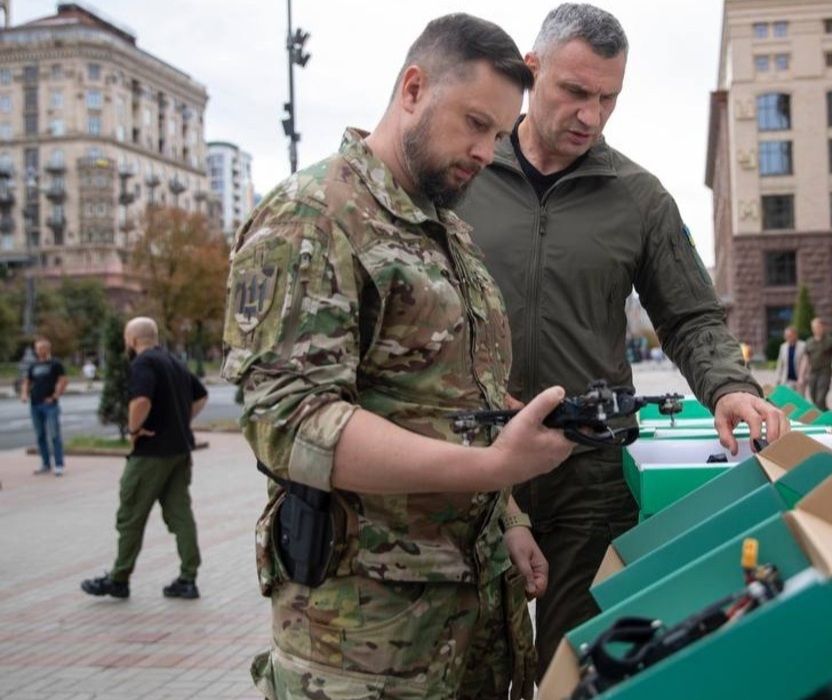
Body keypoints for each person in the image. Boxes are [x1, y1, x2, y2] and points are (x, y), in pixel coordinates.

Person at [220, 14, 574, 700]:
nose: (486, 151)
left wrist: (509, 518)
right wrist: (490, 466)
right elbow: (291, 422)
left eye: (499, 134)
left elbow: (460, 405)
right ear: (413, 88)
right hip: (366, 643)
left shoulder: (449, 232)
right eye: (474, 122)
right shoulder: (313, 216)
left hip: (469, 623)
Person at [455, 3, 789, 678]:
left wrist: (729, 386)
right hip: (469, 468)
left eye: (608, 98)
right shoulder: (463, 175)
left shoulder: (639, 198)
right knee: (469, 669)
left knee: (574, 668)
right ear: (532, 69)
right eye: (575, 92)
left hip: (590, 476)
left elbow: (692, 317)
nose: (592, 115)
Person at [81, 317, 207, 600]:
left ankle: (119, 578)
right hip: (179, 451)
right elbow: (200, 397)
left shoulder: (143, 363)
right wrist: (179, 422)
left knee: (131, 516)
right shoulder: (173, 361)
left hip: (151, 453)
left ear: (132, 340)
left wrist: (134, 429)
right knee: (180, 514)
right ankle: (188, 578)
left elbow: (141, 401)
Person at [20, 338, 68, 476]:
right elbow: (27, 381)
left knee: (54, 435)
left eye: (42, 348)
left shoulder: (55, 363)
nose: (39, 351)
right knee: (40, 435)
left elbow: (63, 380)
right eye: (37, 348)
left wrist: (55, 396)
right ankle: (45, 464)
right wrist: (24, 394)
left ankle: (59, 465)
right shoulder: (33, 365)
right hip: (35, 404)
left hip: (50, 405)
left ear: (48, 349)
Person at [798, 318, 832, 412]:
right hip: (813, 373)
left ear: (822, 327)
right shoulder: (809, 342)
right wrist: (801, 376)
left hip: (825, 373)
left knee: (820, 399)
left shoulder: (830, 341)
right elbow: (805, 360)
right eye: (814, 327)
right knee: (813, 397)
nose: (816, 329)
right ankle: (826, 415)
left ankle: (823, 420)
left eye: (818, 327)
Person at [773, 326, 803, 391]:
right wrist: (778, 379)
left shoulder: (803, 346)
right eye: (786, 335)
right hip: (787, 379)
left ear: (795, 335)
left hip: (799, 379)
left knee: (799, 399)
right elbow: (780, 364)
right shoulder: (783, 347)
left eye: (790, 335)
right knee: (789, 399)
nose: (787, 337)